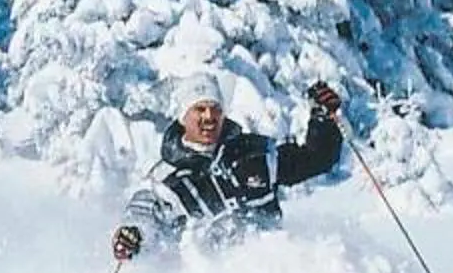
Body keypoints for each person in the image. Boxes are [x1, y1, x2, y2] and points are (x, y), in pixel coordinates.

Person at [111, 75, 346, 262]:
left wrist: (323, 118)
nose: (209, 116)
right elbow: (143, 212)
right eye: (199, 109)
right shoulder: (167, 179)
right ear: (183, 117)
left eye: (215, 108)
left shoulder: (255, 154)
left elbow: (317, 159)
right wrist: (133, 233)